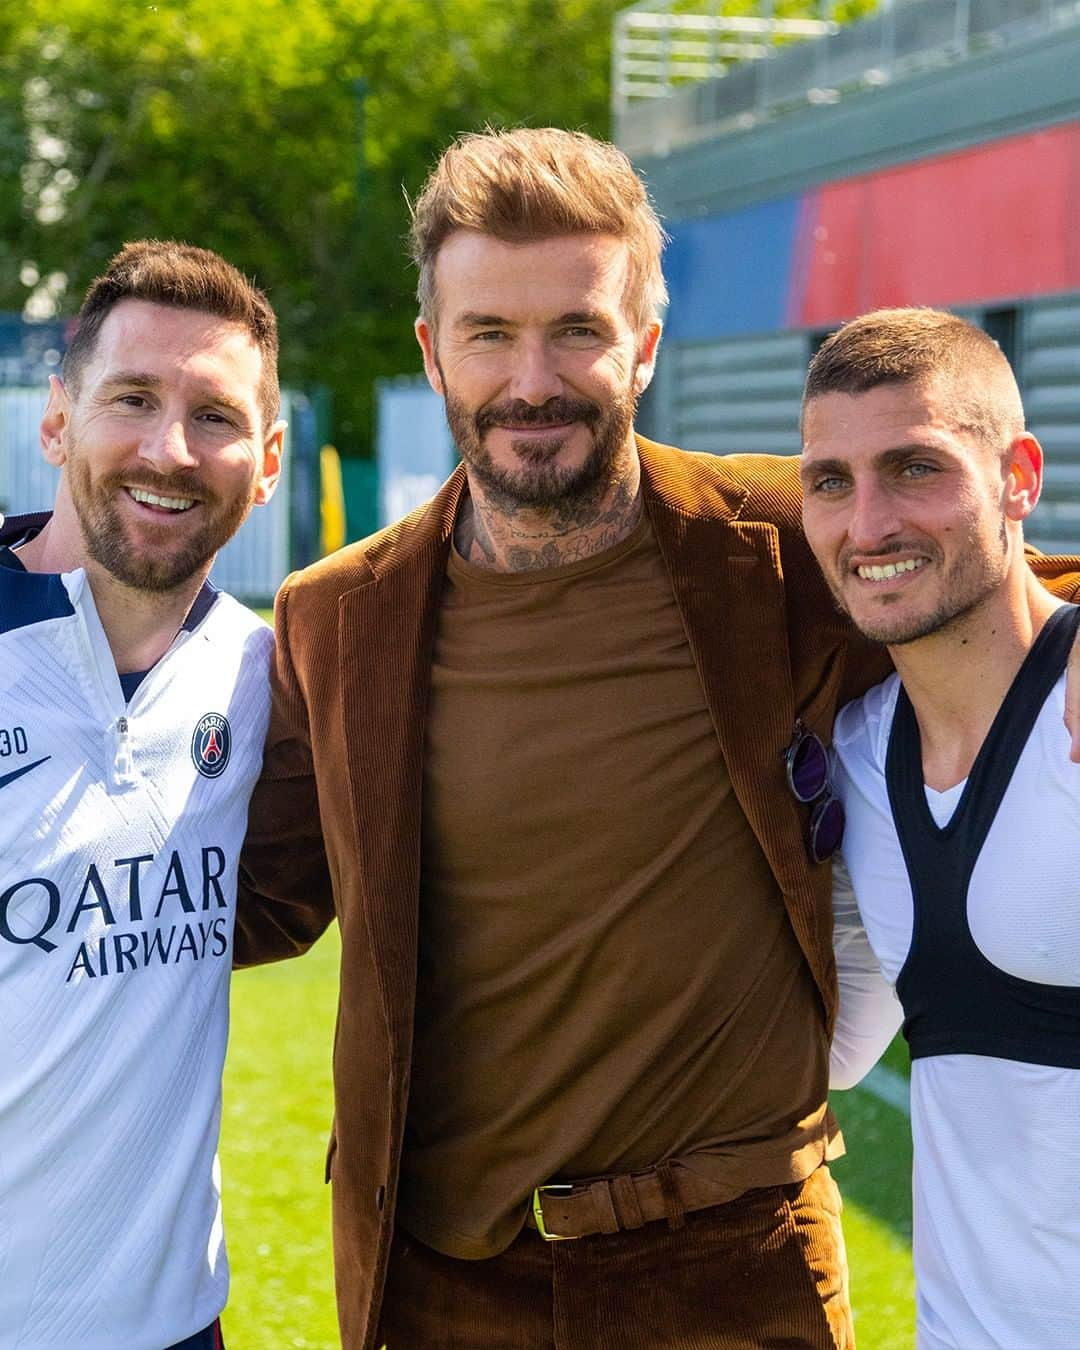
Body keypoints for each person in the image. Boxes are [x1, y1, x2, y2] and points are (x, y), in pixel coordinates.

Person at [236, 128, 1080, 1350]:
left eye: (577, 329)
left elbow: (962, 561)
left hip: (734, 1273)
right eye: (490, 334)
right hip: (445, 1283)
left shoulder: (780, 538)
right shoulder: (334, 619)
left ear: (643, 343)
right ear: (433, 351)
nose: (533, 378)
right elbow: (246, 896)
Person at [0, 240, 283, 1350]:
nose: (170, 449)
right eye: (132, 399)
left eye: (215, 416)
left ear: (263, 465)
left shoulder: (270, 676)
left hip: (176, 1325)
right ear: (58, 423)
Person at [800, 307, 1080, 1349]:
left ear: (1018, 476)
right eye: (829, 481)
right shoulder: (859, 759)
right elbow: (833, 1053)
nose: (867, 523)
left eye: (915, 468)